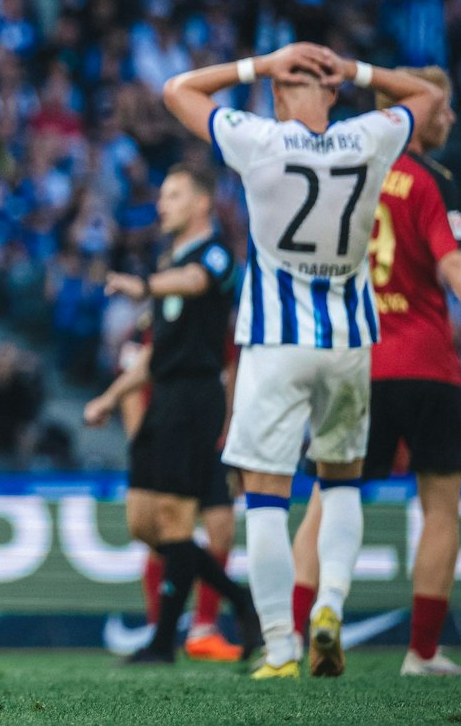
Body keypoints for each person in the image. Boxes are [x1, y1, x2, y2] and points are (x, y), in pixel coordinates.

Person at [163, 42, 444, 679]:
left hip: (275, 341)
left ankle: (282, 648)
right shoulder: (368, 139)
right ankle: (331, 608)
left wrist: (258, 65)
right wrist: (361, 69)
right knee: (341, 482)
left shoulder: (259, 139)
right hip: (348, 343)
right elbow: (428, 98)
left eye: (282, 83)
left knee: (265, 497)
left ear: (285, 91)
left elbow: (177, 89)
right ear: (334, 93)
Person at [289, 67, 461, 675]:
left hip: (352, 359)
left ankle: (299, 638)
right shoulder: (432, 180)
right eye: (444, 107)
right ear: (415, 110)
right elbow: (451, 264)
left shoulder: (345, 168)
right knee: (441, 509)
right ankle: (421, 653)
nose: (450, 117)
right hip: (426, 363)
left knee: (327, 499)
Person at [83, 163, 261, 665]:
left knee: (177, 522)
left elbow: (196, 281)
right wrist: (110, 397)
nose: (162, 204)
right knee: (144, 523)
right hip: (164, 398)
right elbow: (155, 353)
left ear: (201, 203)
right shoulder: (168, 261)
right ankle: (238, 597)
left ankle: (163, 643)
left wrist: (146, 286)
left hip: (198, 400)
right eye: (163, 195)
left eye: (174, 195)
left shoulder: (216, 254)